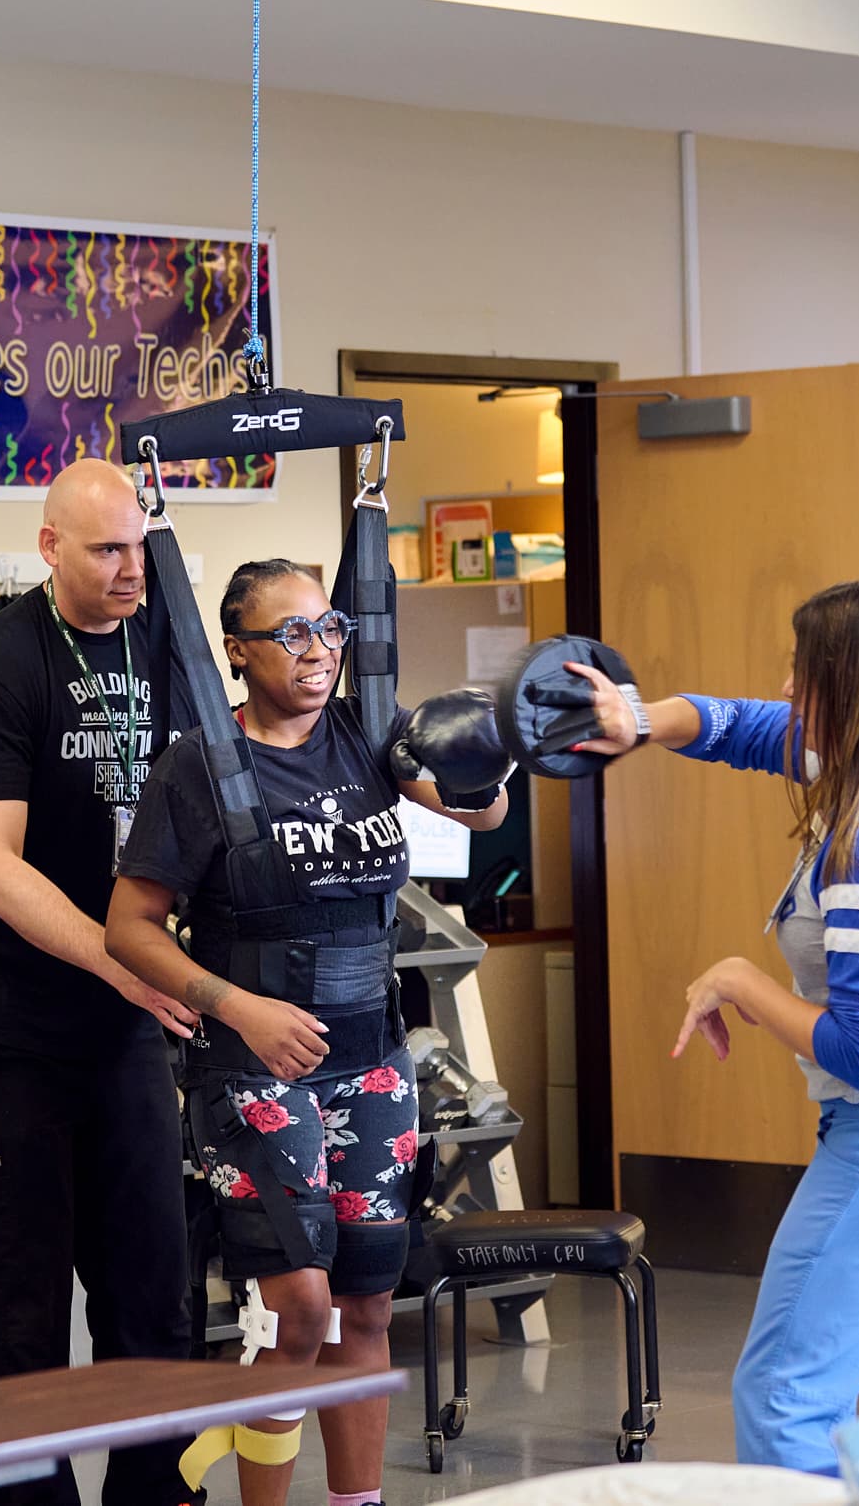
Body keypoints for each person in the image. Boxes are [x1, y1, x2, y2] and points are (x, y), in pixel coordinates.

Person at [574, 579, 859, 1473]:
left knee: (788, 1393)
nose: (785, 686)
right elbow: (741, 725)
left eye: (800, 672)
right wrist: (634, 716)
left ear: (846, 690)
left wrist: (742, 979)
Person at [105, 559, 510, 1506]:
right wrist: (234, 1004)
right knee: (304, 1305)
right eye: (288, 633)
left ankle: (355, 1501)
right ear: (238, 652)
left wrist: (485, 758)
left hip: (373, 1060)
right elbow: (129, 925)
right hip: (251, 1066)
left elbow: (478, 809)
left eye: (328, 627)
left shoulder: (370, 736)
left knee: (369, 1300)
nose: (318, 649)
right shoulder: (197, 765)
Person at [0, 457, 199, 1506]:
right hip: (2, 1020)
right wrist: (123, 960)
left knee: (151, 1294)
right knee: (25, 1301)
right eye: (106, 550)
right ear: (49, 548)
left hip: (120, 1009)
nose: (131, 570)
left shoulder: (166, 639)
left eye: (139, 545)